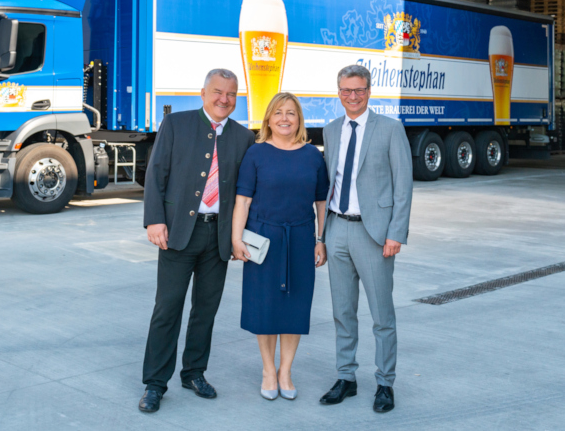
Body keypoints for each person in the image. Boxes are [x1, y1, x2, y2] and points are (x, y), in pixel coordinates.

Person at [139, 68, 255, 413]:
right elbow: (156, 174)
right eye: (218, 92)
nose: (224, 99)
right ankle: (155, 383)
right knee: (167, 308)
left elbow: (245, 193)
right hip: (177, 233)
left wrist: (239, 237)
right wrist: (155, 220)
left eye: (231, 94)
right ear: (203, 93)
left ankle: (194, 373)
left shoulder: (243, 137)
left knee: (205, 310)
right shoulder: (176, 125)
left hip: (217, 235)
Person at [319, 64, 413, 413]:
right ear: (338, 92)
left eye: (359, 90)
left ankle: (385, 383)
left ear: (369, 91)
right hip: (337, 228)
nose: (353, 96)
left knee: (381, 314)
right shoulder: (330, 131)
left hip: (375, 234)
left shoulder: (389, 129)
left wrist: (395, 233)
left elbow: (403, 186)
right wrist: (322, 235)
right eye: (346, 90)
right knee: (343, 311)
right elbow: (329, 184)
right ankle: (346, 377)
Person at [231, 92, 329, 401]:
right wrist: (236, 239)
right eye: (278, 113)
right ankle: (267, 371)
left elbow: (321, 202)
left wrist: (321, 239)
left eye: (291, 113)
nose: (284, 118)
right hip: (263, 240)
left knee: (294, 307)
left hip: (300, 239)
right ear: (269, 119)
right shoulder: (256, 153)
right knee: (266, 308)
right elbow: (243, 201)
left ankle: (286, 370)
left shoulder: (313, 155)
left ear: (299, 119)